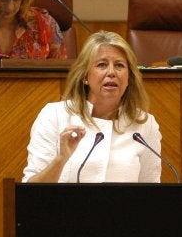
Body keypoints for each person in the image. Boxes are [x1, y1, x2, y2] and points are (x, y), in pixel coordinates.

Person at [22, 30, 162, 183]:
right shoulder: (54, 115)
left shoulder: (145, 124)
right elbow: (31, 193)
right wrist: (61, 159)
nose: (111, 72)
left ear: (129, 77)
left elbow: (150, 193)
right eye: (102, 65)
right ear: (85, 76)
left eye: (119, 65)